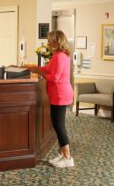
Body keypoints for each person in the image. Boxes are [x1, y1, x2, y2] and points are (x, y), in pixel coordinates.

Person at [26, 30, 74, 168]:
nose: (47, 43)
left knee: (59, 126)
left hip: (60, 94)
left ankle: (68, 158)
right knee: (59, 126)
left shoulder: (60, 57)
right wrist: (34, 68)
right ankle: (62, 154)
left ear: (56, 41)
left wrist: (38, 71)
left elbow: (54, 78)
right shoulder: (59, 55)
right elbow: (48, 68)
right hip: (58, 94)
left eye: (49, 40)